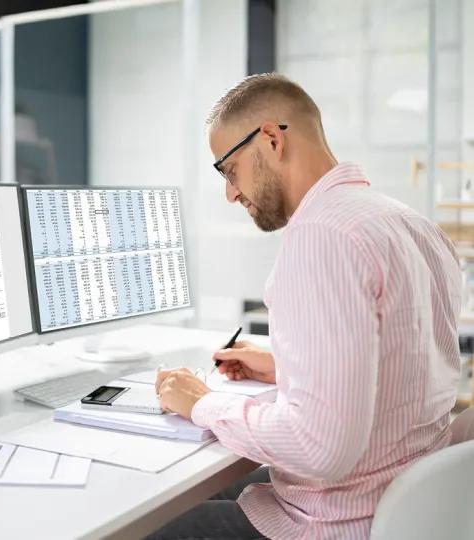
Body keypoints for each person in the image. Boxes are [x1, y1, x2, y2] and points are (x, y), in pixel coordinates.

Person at [149, 73, 462, 539]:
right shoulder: (411, 224)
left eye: (228, 170)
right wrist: (286, 368)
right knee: (209, 492)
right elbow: (406, 370)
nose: (230, 193)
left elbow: (320, 447)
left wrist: (202, 403)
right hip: (413, 509)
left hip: (336, 522)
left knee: (149, 524)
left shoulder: (322, 237)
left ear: (272, 139)